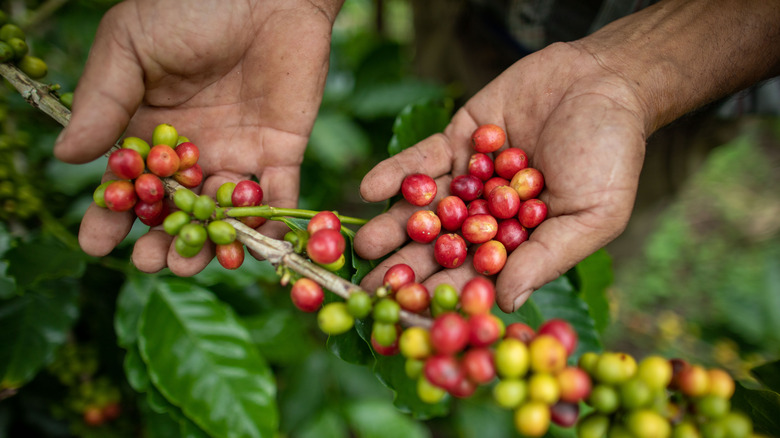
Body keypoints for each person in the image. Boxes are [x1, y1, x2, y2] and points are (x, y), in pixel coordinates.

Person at [54, 0, 780, 313]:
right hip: (481, 13)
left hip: (695, 86)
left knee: (582, 228)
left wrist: (639, 76)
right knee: (436, 112)